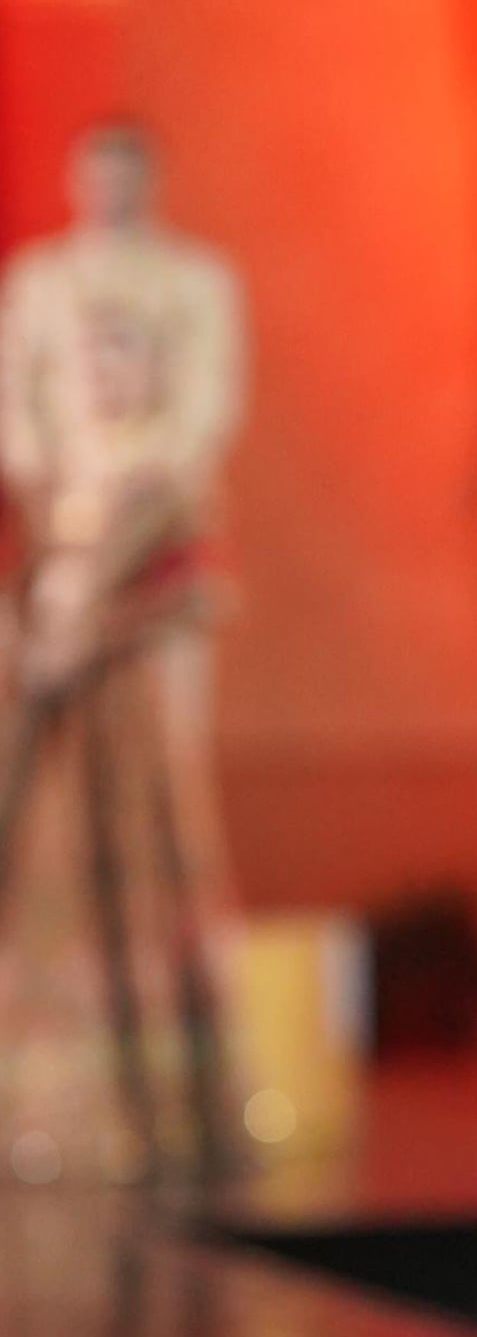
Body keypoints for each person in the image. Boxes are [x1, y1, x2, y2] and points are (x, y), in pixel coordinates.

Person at [0, 119, 244, 1182]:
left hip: (148, 594)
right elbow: (21, 423)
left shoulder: (195, 284)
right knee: (49, 832)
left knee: (159, 826)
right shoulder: (42, 283)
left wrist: (96, 582)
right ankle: (54, 1096)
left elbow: (199, 426)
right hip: (63, 570)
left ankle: (174, 1097)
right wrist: (60, 577)